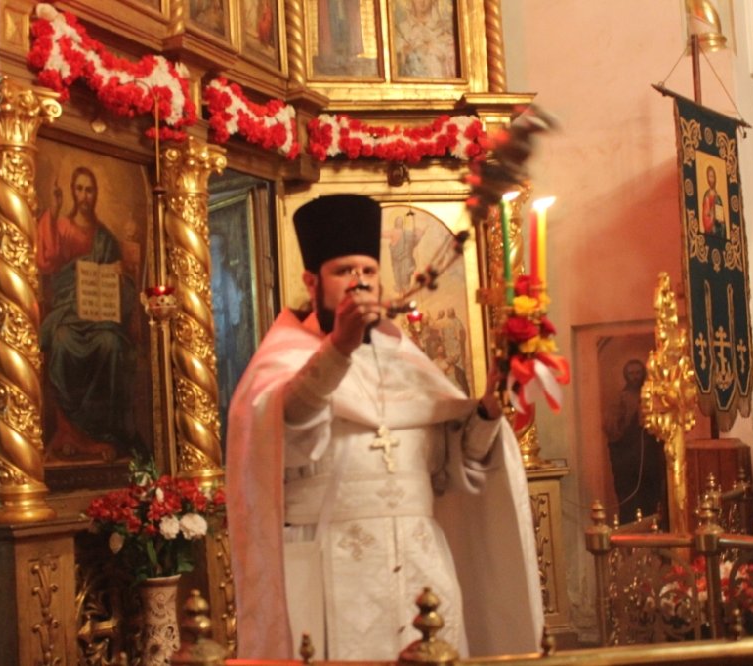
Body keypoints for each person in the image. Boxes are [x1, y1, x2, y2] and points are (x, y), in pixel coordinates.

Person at [227, 194, 543, 661]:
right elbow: (288, 428)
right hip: (330, 565)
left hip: (422, 566)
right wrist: (339, 348)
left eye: (369, 271)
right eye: (344, 271)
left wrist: (489, 411)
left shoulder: (407, 359)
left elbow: (455, 468)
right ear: (312, 282)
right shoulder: (283, 362)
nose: (360, 282)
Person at [37, 166, 139, 463]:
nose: (84, 196)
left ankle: (103, 435)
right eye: (79, 189)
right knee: (61, 341)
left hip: (100, 315)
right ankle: (69, 434)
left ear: (95, 195)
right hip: (68, 311)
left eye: (89, 190)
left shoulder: (105, 238)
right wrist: (53, 211)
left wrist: (121, 275)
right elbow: (46, 263)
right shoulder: (62, 227)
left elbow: (126, 289)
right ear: (72, 191)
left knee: (111, 344)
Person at [603, 359, 666, 524]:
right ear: (626, 376)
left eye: (638, 373)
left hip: (649, 456)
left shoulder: (653, 395)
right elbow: (611, 426)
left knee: (651, 496)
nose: (635, 377)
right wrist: (630, 419)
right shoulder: (621, 398)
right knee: (630, 499)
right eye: (631, 373)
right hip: (628, 458)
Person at [700, 165, 726, 237]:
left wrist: (722, 221)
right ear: (707, 178)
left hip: (719, 231)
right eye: (709, 177)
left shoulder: (718, 196)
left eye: (712, 176)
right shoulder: (707, 196)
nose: (711, 179)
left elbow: (722, 218)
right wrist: (712, 214)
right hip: (711, 232)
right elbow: (706, 218)